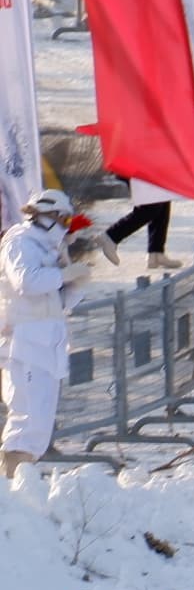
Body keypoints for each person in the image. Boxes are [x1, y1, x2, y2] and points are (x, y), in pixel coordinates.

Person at [1, 189, 82, 472]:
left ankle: (23, 476)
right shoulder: (20, 243)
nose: (66, 227)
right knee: (26, 416)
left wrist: (76, 284)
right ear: (47, 216)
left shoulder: (48, 249)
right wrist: (63, 274)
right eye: (64, 220)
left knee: (40, 420)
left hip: (46, 343)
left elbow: (59, 302)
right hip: (23, 343)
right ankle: (13, 478)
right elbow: (26, 282)